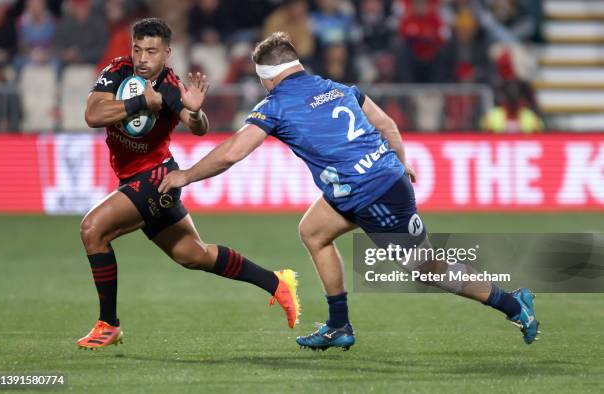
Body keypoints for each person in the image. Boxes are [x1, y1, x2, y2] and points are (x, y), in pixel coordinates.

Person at [158, 32, 540, 351]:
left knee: (426, 268)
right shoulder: (336, 88)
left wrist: (185, 176)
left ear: (268, 78)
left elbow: (233, 153)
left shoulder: (275, 104)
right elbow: (387, 123)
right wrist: (400, 162)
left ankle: (513, 304)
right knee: (313, 231)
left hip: (375, 194)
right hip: (367, 187)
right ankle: (339, 326)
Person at [77, 19, 300, 350]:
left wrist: (194, 113)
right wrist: (141, 103)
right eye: (137, 49)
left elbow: (198, 126)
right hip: (134, 179)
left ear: (167, 53)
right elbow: (93, 115)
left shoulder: (170, 87)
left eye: (151, 51)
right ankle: (276, 282)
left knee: (93, 230)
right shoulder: (118, 71)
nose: (142, 58)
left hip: (158, 180)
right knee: (194, 256)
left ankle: (108, 325)